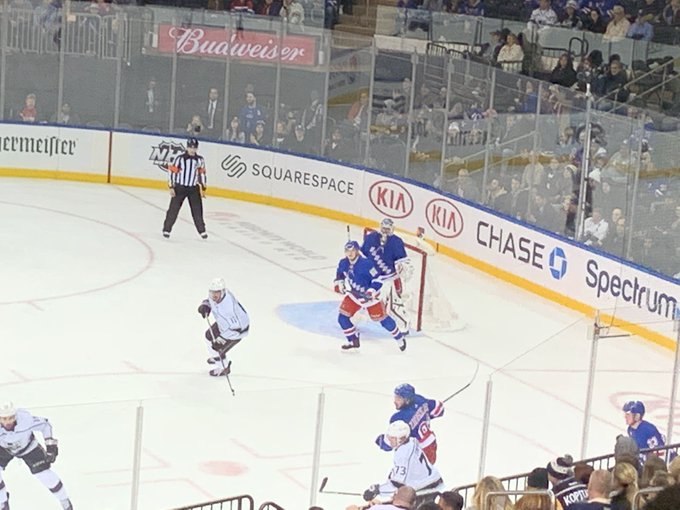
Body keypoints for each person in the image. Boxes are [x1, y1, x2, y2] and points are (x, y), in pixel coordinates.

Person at [334, 241, 407, 351]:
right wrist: (339, 283)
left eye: (352, 251)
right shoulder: (343, 263)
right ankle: (353, 339)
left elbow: (377, 279)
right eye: (347, 251)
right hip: (355, 296)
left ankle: (399, 337)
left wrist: (371, 291)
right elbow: (340, 274)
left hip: (370, 299)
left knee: (383, 320)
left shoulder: (366, 264)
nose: (350, 253)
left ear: (357, 251)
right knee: (342, 318)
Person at [0, 402, 73, 510]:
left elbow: (45, 425)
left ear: (15, 416)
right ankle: (2, 503)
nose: (8, 422)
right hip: (4, 449)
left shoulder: (26, 419)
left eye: (11, 418)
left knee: (45, 475)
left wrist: (50, 446)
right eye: (4, 419)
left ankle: (65, 501)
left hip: (29, 448)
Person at [363, 421, 443, 503]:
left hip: (425, 489)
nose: (389, 440)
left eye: (392, 438)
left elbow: (397, 486)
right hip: (433, 479)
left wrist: (377, 490)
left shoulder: (403, 455)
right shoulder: (411, 440)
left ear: (401, 439)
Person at [361, 219, 410, 331]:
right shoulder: (371, 238)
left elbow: (402, 261)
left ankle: (403, 327)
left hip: (390, 278)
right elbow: (362, 254)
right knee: (365, 298)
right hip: (372, 278)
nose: (385, 232)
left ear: (392, 229)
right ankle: (362, 318)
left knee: (394, 306)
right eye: (383, 229)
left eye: (388, 229)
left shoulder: (397, 242)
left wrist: (403, 267)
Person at [375, 384, 444, 464]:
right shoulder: (419, 399)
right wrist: (424, 416)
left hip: (417, 453)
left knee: (413, 475)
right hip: (431, 445)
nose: (395, 401)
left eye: (399, 399)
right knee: (426, 473)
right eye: (395, 397)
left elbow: (389, 444)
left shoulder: (399, 418)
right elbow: (439, 409)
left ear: (407, 400)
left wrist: (380, 440)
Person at [198, 278, 250, 377]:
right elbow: (209, 301)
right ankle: (218, 357)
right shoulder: (219, 296)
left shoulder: (228, 309)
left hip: (237, 331)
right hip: (224, 324)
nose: (214, 295)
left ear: (222, 292)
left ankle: (224, 367)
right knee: (209, 336)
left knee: (216, 348)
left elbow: (236, 328)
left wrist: (221, 340)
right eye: (212, 292)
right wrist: (205, 306)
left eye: (217, 292)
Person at [161, 137, 208, 239]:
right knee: (173, 209)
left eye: (194, 148)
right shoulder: (180, 159)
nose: (192, 150)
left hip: (193, 189)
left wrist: (203, 188)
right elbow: (172, 172)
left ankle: (202, 230)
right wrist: (171, 187)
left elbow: (202, 174)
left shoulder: (200, 160)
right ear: (187, 147)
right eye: (190, 147)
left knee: (197, 210)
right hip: (180, 188)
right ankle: (167, 229)